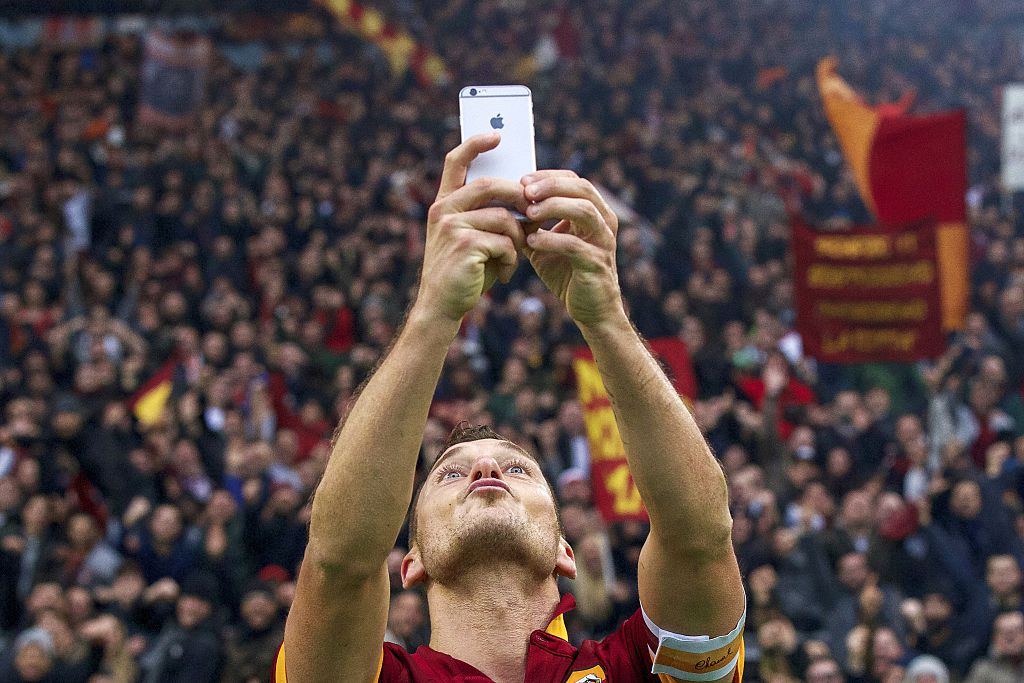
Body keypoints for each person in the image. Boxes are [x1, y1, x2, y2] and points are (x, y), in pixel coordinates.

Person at [274, 134, 747, 682]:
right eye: (449, 474)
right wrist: (433, 310)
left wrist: (607, 318)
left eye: (518, 467)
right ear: (412, 562)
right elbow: (339, 562)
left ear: (565, 551)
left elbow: (700, 535)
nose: (486, 468)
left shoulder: (633, 670)